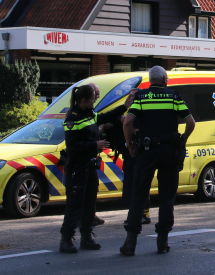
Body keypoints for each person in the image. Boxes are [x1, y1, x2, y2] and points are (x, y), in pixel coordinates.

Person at [120, 66, 196, 256]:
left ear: (151, 80)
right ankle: (162, 243)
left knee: (138, 194)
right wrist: (183, 140)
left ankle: (130, 244)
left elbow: (127, 122)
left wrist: (129, 145)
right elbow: (190, 122)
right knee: (167, 195)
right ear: (164, 79)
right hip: (169, 151)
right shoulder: (174, 97)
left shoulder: (141, 98)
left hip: (146, 152)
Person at [59, 84, 134, 253]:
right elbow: (72, 145)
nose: (95, 101)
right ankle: (66, 239)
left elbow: (104, 116)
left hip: (90, 166)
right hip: (77, 167)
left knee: (90, 204)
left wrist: (124, 107)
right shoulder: (72, 118)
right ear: (83, 100)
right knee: (74, 205)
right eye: (93, 99)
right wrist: (95, 144)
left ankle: (86, 237)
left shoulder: (89, 114)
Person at [104, 89, 151, 226]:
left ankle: (144, 215)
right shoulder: (131, 113)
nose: (129, 99)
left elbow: (137, 130)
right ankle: (134, 214)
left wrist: (127, 123)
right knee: (131, 184)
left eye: (132, 96)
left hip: (138, 152)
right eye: (129, 96)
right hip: (129, 154)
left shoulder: (141, 113)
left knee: (141, 183)